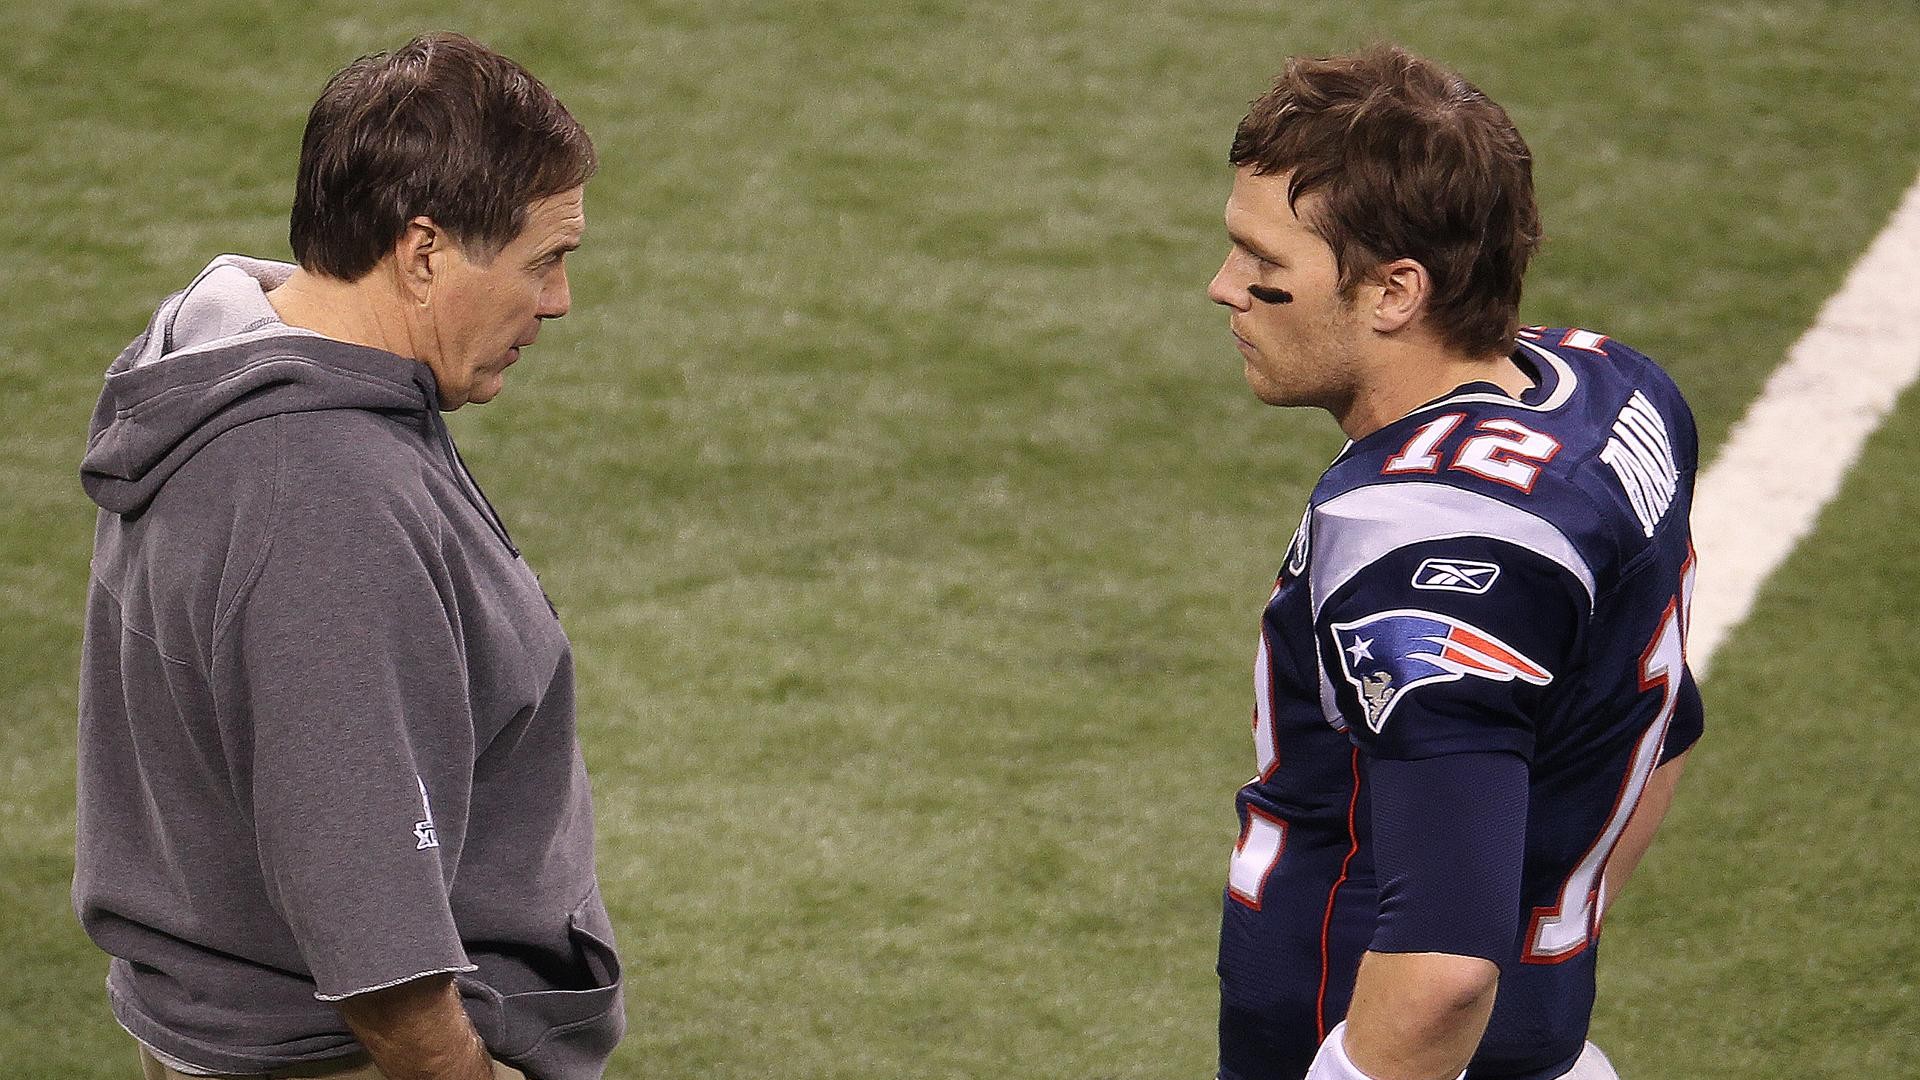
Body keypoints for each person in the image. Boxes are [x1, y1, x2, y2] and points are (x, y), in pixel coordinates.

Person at [74, 32, 620, 1080]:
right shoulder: (315, 495)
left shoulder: (246, 363)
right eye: (544, 260)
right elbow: (369, 914)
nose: (557, 303)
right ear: (423, 252)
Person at [1206, 45, 1701, 1080]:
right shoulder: (1611, 387)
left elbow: (1440, 972)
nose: (1225, 291)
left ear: (1394, 290)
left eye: (1264, 268)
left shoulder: (1424, 549)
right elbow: (1663, 728)